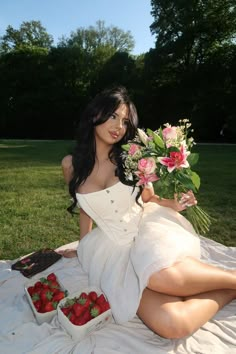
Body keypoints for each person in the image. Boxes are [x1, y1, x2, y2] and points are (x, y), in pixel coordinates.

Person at [60, 86, 236, 340]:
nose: (118, 126)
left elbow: (149, 198)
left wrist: (174, 204)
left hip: (145, 230)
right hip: (112, 249)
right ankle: (230, 289)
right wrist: (84, 245)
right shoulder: (70, 165)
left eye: (124, 121)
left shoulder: (132, 157)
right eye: (112, 116)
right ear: (95, 114)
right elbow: (84, 210)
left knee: (159, 277)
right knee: (172, 325)